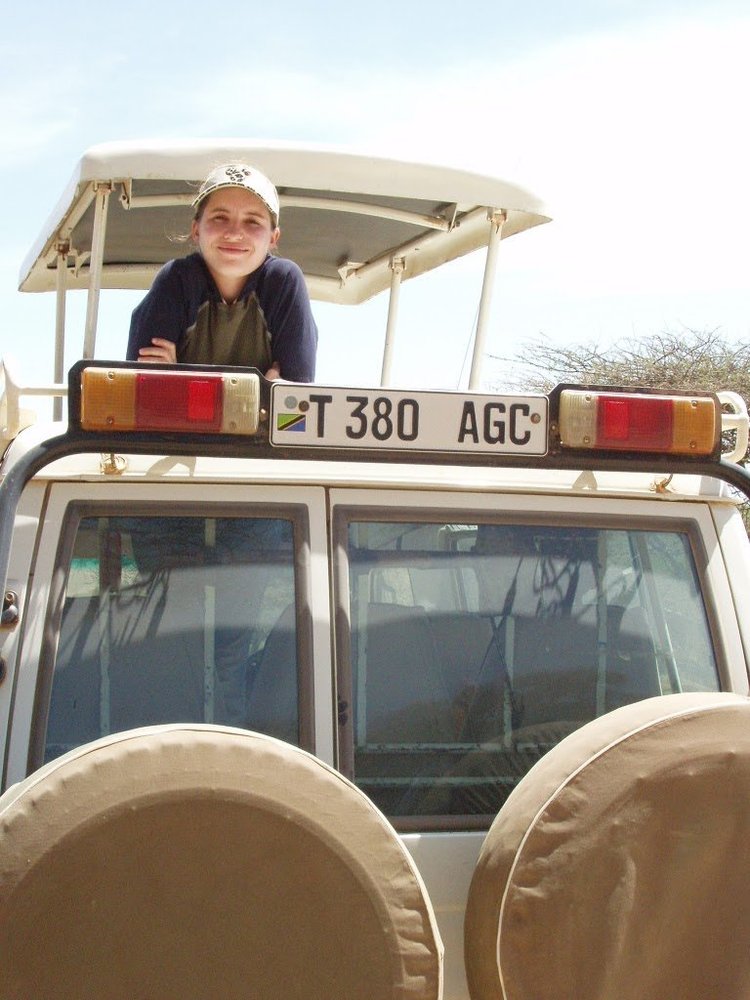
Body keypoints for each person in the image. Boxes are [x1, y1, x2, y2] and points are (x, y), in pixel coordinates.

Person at [127, 162, 317, 381]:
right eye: (220, 218)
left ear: (273, 237)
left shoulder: (284, 283)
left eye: (252, 221)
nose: (234, 233)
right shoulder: (176, 280)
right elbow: (144, 392)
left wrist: (177, 379)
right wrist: (262, 390)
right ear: (196, 229)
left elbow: (295, 402)